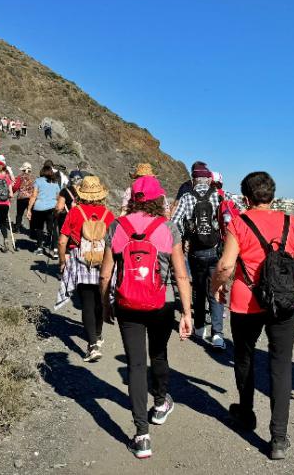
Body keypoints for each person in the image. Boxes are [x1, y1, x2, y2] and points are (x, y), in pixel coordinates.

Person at [211, 171, 294, 460]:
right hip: (285, 302)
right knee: (281, 366)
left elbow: (227, 266)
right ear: (272, 195)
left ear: (245, 198)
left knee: (244, 356)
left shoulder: (239, 223)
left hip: (247, 301)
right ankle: (278, 438)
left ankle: (246, 412)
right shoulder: (292, 223)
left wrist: (215, 288)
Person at [99, 175, 192, 459]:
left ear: (132, 199)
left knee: (136, 365)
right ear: (157, 199)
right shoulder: (168, 227)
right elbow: (180, 274)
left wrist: (105, 305)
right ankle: (161, 404)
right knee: (159, 354)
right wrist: (187, 312)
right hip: (160, 304)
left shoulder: (117, 226)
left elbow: (105, 274)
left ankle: (141, 436)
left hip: (128, 304)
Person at [171, 164, 227, 349]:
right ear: (209, 179)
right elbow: (235, 214)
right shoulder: (218, 195)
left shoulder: (187, 197)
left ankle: (200, 327)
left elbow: (174, 222)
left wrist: (185, 238)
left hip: (195, 251)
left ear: (194, 179)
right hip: (216, 250)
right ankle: (217, 334)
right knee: (216, 290)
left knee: (199, 288)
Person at [59, 176, 114, 361]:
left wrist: (61, 261)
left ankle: (92, 345)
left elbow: (62, 240)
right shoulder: (108, 214)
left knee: (87, 303)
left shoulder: (75, 212)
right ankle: (97, 335)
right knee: (100, 300)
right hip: (104, 261)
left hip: (80, 260)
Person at [27, 165, 61, 257]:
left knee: (39, 228)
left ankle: (40, 248)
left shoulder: (38, 181)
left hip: (39, 208)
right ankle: (55, 250)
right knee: (52, 229)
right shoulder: (55, 182)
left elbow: (34, 195)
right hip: (52, 208)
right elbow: (58, 196)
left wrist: (29, 209)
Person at [12, 162, 35, 233]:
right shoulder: (33, 178)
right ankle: (32, 230)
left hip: (21, 198)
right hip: (31, 198)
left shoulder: (19, 177)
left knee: (19, 214)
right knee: (31, 213)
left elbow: (15, 187)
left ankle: (17, 228)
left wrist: (11, 193)